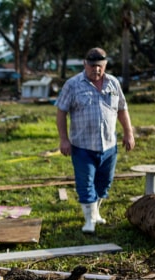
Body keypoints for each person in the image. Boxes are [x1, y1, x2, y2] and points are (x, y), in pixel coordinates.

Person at [55, 47, 135, 233]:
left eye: (99, 66)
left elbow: (122, 109)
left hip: (109, 145)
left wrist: (128, 133)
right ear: (85, 64)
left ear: (105, 65)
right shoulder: (73, 84)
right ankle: (89, 220)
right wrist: (63, 139)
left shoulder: (113, 83)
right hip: (82, 146)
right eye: (92, 66)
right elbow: (61, 112)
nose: (96, 70)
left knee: (104, 183)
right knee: (85, 184)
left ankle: (96, 213)